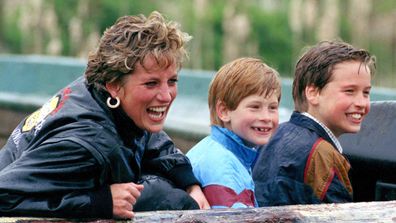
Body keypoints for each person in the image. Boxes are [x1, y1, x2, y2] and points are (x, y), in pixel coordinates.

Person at [0, 11, 209, 219]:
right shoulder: (86, 144)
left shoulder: (100, 92)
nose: (166, 96)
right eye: (151, 83)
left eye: (172, 81)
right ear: (115, 86)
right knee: (170, 200)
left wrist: (189, 181)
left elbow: (149, 136)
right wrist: (100, 201)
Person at [252, 40, 376, 206]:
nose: (362, 102)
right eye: (349, 91)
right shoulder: (323, 156)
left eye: (366, 93)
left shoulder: (273, 135)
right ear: (313, 93)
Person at [186, 57, 281, 208]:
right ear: (224, 111)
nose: (266, 117)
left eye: (272, 108)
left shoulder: (217, 150)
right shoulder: (224, 168)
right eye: (255, 107)